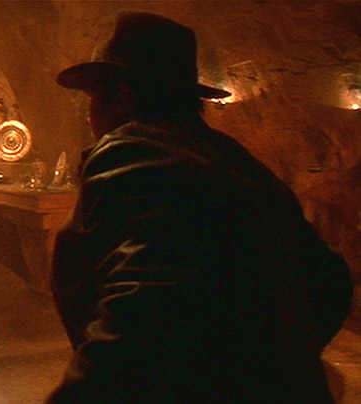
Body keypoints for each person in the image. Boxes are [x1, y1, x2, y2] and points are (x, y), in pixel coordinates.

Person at [48, 12, 352, 404]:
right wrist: (278, 359)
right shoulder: (237, 162)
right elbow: (330, 281)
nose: (91, 117)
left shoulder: (133, 152)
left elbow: (141, 320)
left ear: (121, 100)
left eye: (93, 100)